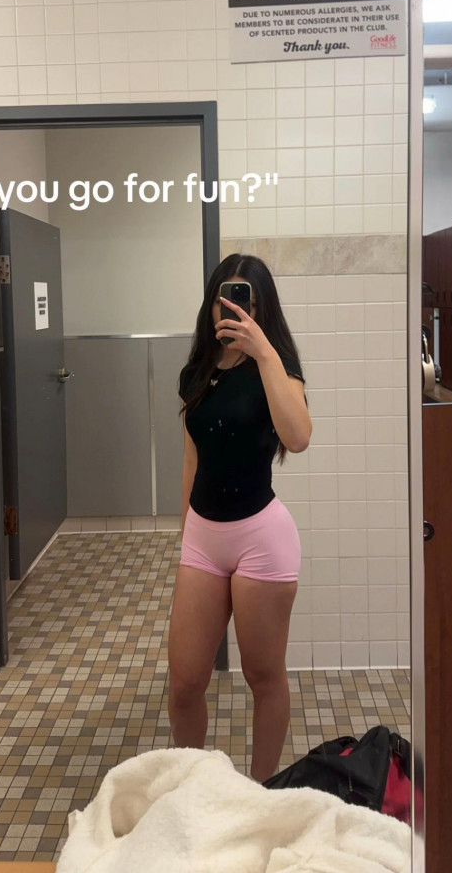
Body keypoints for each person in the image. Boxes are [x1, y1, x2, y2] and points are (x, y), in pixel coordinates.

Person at [168, 253, 312, 783]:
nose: (230, 309)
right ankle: (193, 787)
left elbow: (298, 437)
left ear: (261, 308)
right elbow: (192, 456)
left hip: (261, 539)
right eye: (222, 298)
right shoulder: (196, 373)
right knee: (185, 682)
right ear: (211, 305)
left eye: (243, 300)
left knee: (263, 676)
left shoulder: (277, 370)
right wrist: (185, 533)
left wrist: (264, 351)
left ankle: (259, 789)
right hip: (203, 538)